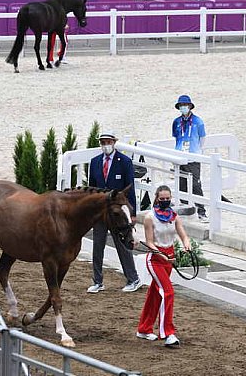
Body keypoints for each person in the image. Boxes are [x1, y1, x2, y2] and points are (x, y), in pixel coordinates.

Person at [87, 131, 142, 293]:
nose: (106, 145)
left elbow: (130, 187)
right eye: (103, 142)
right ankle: (97, 281)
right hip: (101, 212)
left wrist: (132, 214)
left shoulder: (124, 162)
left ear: (114, 142)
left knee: (123, 245)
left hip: (118, 213)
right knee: (97, 246)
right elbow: (92, 189)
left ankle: (133, 278)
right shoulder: (95, 162)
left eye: (108, 142)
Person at [136, 185, 191, 347]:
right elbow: (150, 242)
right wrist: (162, 255)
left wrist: (187, 245)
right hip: (155, 259)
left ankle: (144, 328)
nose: (166, 201)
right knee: (168, 292)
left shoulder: (174, 216)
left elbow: (183, 235)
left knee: (155, 293)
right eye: (162, 199)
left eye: (168, 199)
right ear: (157, 198)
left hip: (169, 257)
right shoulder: (149, 217)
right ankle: (168, 333)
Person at [172, 95, 208, 222]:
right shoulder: (176, 122)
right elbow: (176, 138)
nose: (183, 107)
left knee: (195, 185)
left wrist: (196, 151)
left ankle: (201, 212)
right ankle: (186, 211)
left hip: (193, 157)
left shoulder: (198, 121)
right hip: (180, 156)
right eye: (181, 105)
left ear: (190, 106)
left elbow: (202, 138)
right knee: (181, 184)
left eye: (185, 105)